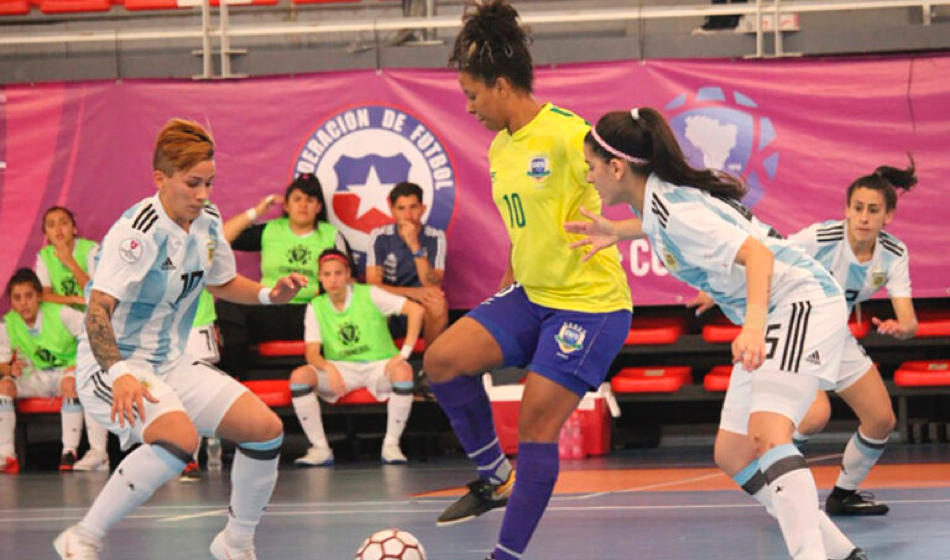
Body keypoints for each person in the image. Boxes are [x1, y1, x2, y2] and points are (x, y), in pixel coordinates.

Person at [564, 107, 866, 560]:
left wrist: (754, 328)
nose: (589, 178)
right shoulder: (660, 200)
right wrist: (618, 231)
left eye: (590, 167)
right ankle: (843, 554)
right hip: (776, 307)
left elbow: (759, 257)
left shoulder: (676, 211)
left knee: (768, 436)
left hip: (797, 300)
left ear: (617, 167)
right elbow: (661, 225)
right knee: (733, 453)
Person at [422, 3, 632, 560]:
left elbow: (645, 189)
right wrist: (505, 289)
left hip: (591, 305)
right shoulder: (499, 148)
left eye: (472, 94)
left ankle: (505, 556)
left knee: (537, 424)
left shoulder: (568, 135)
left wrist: (619, 228)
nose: (468, 107)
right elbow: (526, 232)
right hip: (531, 296)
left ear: (500, 84)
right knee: (442, 361)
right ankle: (497, 478)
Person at [53, 118, 307, 560]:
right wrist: (119, 376)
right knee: (177, 439)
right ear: (161, 179)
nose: (204, 194)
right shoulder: (137, 234)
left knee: (265, 431)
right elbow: (97, 312)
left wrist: (269, 294)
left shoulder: (207, 221)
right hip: (112, 364)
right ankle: (83, 537)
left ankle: (235, 543)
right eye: (193, 183)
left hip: (168, 362)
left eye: (210, 182)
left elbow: (222, 282)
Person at [688, 158, 918, 517]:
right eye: (857, 208)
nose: (863, 217)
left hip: (835, 335)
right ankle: (780, 485)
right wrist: (717, 291)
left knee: (881, 419)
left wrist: (902, 328)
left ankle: (843, 495)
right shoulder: (821, 238)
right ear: (846, 209)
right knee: (814, 415)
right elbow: (766, 255)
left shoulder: (893, 253)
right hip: (800, 323)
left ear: (887, 216)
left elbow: (908, 319)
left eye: (873, 210)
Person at [290, 248, 424, 466]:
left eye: (338, 273)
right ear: (320, 277)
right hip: (341, 369)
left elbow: (415, 310)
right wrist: (329, 368)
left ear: (347, 274)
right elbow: (312, 353)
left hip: (379, 366)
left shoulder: (369, 294)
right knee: (300, 377)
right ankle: (320, 448)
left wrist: (404, 353)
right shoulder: (316, 306)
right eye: (327, 274)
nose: (333, 280)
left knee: (403, 371)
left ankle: (391, 445)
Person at [216, 174, 349, 379]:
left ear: (319, 207)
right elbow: (220, 239)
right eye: (297, 199)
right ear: (286, 206)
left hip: (311, 314)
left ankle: (328, 379)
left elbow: (348, 281)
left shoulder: (332, 235)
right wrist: (256, 212)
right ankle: (237, 379)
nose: (303, 205)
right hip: (270, 309)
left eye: (310, 200)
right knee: (226, 307)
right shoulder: (271, 230)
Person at [0, 268, 107, 472]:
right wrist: (10, 369)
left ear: (39, 296)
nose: (23, 303)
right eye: (17, 298)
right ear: (11, 302)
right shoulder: (8, 324)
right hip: (34, 377)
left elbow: (94, 333)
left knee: (71, 383)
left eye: (29, 296)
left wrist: (83, 362)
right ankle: (6, 454)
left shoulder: (61, 313)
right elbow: (2, 364)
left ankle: (69, 451)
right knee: (3, 386)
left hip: (65, 372)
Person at [366, 182, 448, 345]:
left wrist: (414, 245)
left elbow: (433, 283)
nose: (408, 215)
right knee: (372, 305)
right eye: (401, 208)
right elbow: (373, 286)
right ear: (392, 210)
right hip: (390, 300)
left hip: (421, 303)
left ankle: (430, 366)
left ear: (422, 209)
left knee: (438, 304)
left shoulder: (436, 237)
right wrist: (412, 293)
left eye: (413, 207)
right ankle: (381, 367)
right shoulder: (380, 236)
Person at [180, 288, 224, 481]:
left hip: (198, 326)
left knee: (197, 392)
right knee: (178, 395)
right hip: (167, 326)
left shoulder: (203, 256)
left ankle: (193, 455)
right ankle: (190, 452)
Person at [35, 206, 99, 309]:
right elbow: (44, 297)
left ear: (74, 229)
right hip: (64, 316)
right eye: (51, 225)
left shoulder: (91, 249)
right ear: (46, 235)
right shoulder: (44, 255)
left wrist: (70, 262)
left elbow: (96, 295)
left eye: (63, 223)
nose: (58, 229)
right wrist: (74, 299)